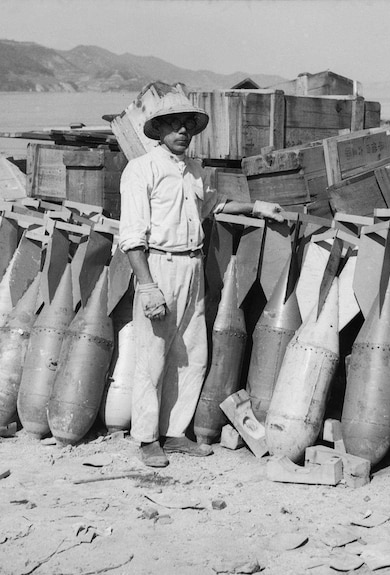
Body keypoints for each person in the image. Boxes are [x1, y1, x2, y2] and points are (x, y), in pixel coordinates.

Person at [118, 92, 284, 467]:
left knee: (192, 355)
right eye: (173, 124)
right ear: (157, 129)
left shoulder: (193, 171)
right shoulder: (141, 170)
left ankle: (175, 433)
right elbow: (131, 236)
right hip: (158, 267)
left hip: (193, 266)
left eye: (188, 125)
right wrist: (147, 285)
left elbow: (215, 205)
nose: (182, 130)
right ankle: (146, 439)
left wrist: (257, 207)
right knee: (152, 357)